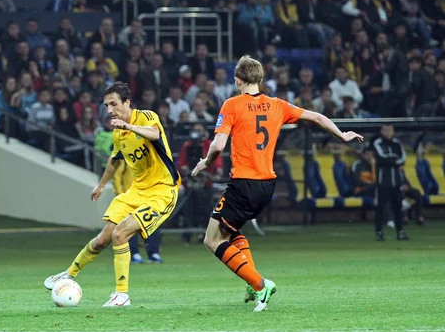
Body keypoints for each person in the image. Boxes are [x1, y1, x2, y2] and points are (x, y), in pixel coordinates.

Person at [191, 56, 363, 311]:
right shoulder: (277, 105)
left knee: (212, 240)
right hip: (266, 186)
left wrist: (206, 161)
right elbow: (316, 117)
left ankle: (260, 285)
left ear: (238, 80)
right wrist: (341, 134)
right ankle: (251, 284)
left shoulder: (232, 104)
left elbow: (218, 145)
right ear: (260, 79)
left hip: (243, 183)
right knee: (231, 232)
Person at [44, 82, 180, 306]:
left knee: (120, 234)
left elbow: (154, 134)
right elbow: (115, 160)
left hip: (162, 192)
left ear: (127, 102)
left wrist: (130, 127)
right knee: (102, 239)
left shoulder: (146, 117)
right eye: (106, 105)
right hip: (136, 191)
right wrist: (101, 185)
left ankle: (122, 295)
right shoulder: (118, 134)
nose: (109, 110)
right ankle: (68, 274)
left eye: (114, 104)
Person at [373, 124, 410, 241]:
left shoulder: (397, 144)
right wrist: (394, 159)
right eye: (386, 130)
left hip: (397, 182)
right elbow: (382, 158)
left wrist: (391, 159)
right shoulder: (377, 143)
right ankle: (379, 231)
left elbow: (403, 158)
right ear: (382, 131)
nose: (388, 132)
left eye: (390, 130)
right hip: (383, 181)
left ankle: (400, 231)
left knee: (398, 207)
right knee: (380, 207)